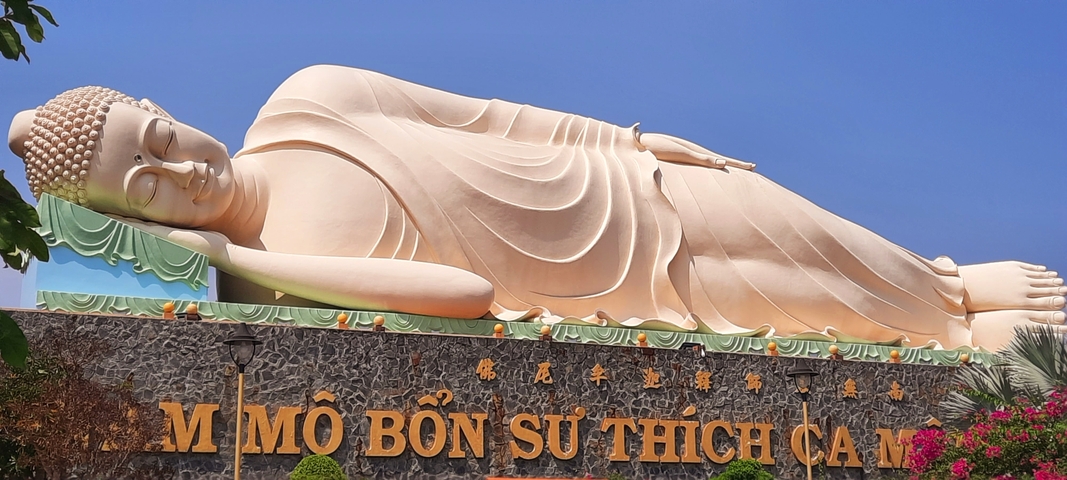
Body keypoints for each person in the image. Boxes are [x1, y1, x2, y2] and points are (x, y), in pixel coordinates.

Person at [8, 65, 1064, 350]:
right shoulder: (276, 259)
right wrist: (228, 267)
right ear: (141, 220)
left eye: (160, 142)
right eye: (146, 190)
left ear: (164, 109)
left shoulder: (309, 98)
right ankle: (965, 332)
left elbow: (492, 121)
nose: (183, 172)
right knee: (811, 311)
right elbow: (460, 293)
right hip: (620, 288)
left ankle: (950, 282)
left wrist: (626, 140)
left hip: (621, 193)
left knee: (814, 235)